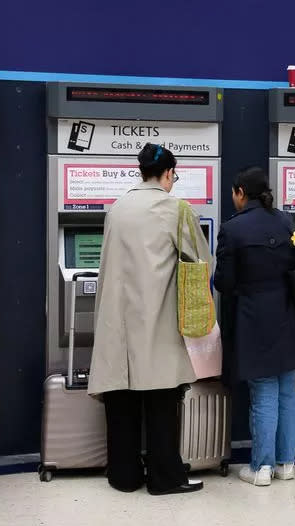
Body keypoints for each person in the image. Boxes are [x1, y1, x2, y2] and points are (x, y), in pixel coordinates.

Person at [88, 143, 211, 496]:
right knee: (161, 403)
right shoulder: (177, 208)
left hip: (117, 321)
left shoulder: (117, 207)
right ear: (169, 173)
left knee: (122, 400)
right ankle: (164, 478)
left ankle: (123, 476)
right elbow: (201, 262)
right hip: (156, 320)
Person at [214, 167, 295, 487]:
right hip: (289, 316)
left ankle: (261, 468)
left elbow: (225, 283)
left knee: (264, 390)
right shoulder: (288, 222)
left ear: (241, 192)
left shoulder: (233, 229)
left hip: (255, 319)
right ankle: (286, 464)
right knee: (286, 390)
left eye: (233, 192)